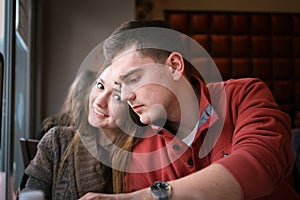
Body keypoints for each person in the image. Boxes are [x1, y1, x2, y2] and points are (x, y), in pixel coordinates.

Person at [80, 20, 299, 200]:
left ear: (174, 66)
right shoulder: (141, 156)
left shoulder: (244, 96)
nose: (127, 95)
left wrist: (151, 195)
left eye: (134, 79)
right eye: (121, 85)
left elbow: (259, 166)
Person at [21, 66, 140, 199]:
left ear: (133, 108)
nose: (99, 101)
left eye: (116, 97)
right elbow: (30, 193)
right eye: (100, 86)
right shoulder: (57, 141)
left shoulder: (141, 154)